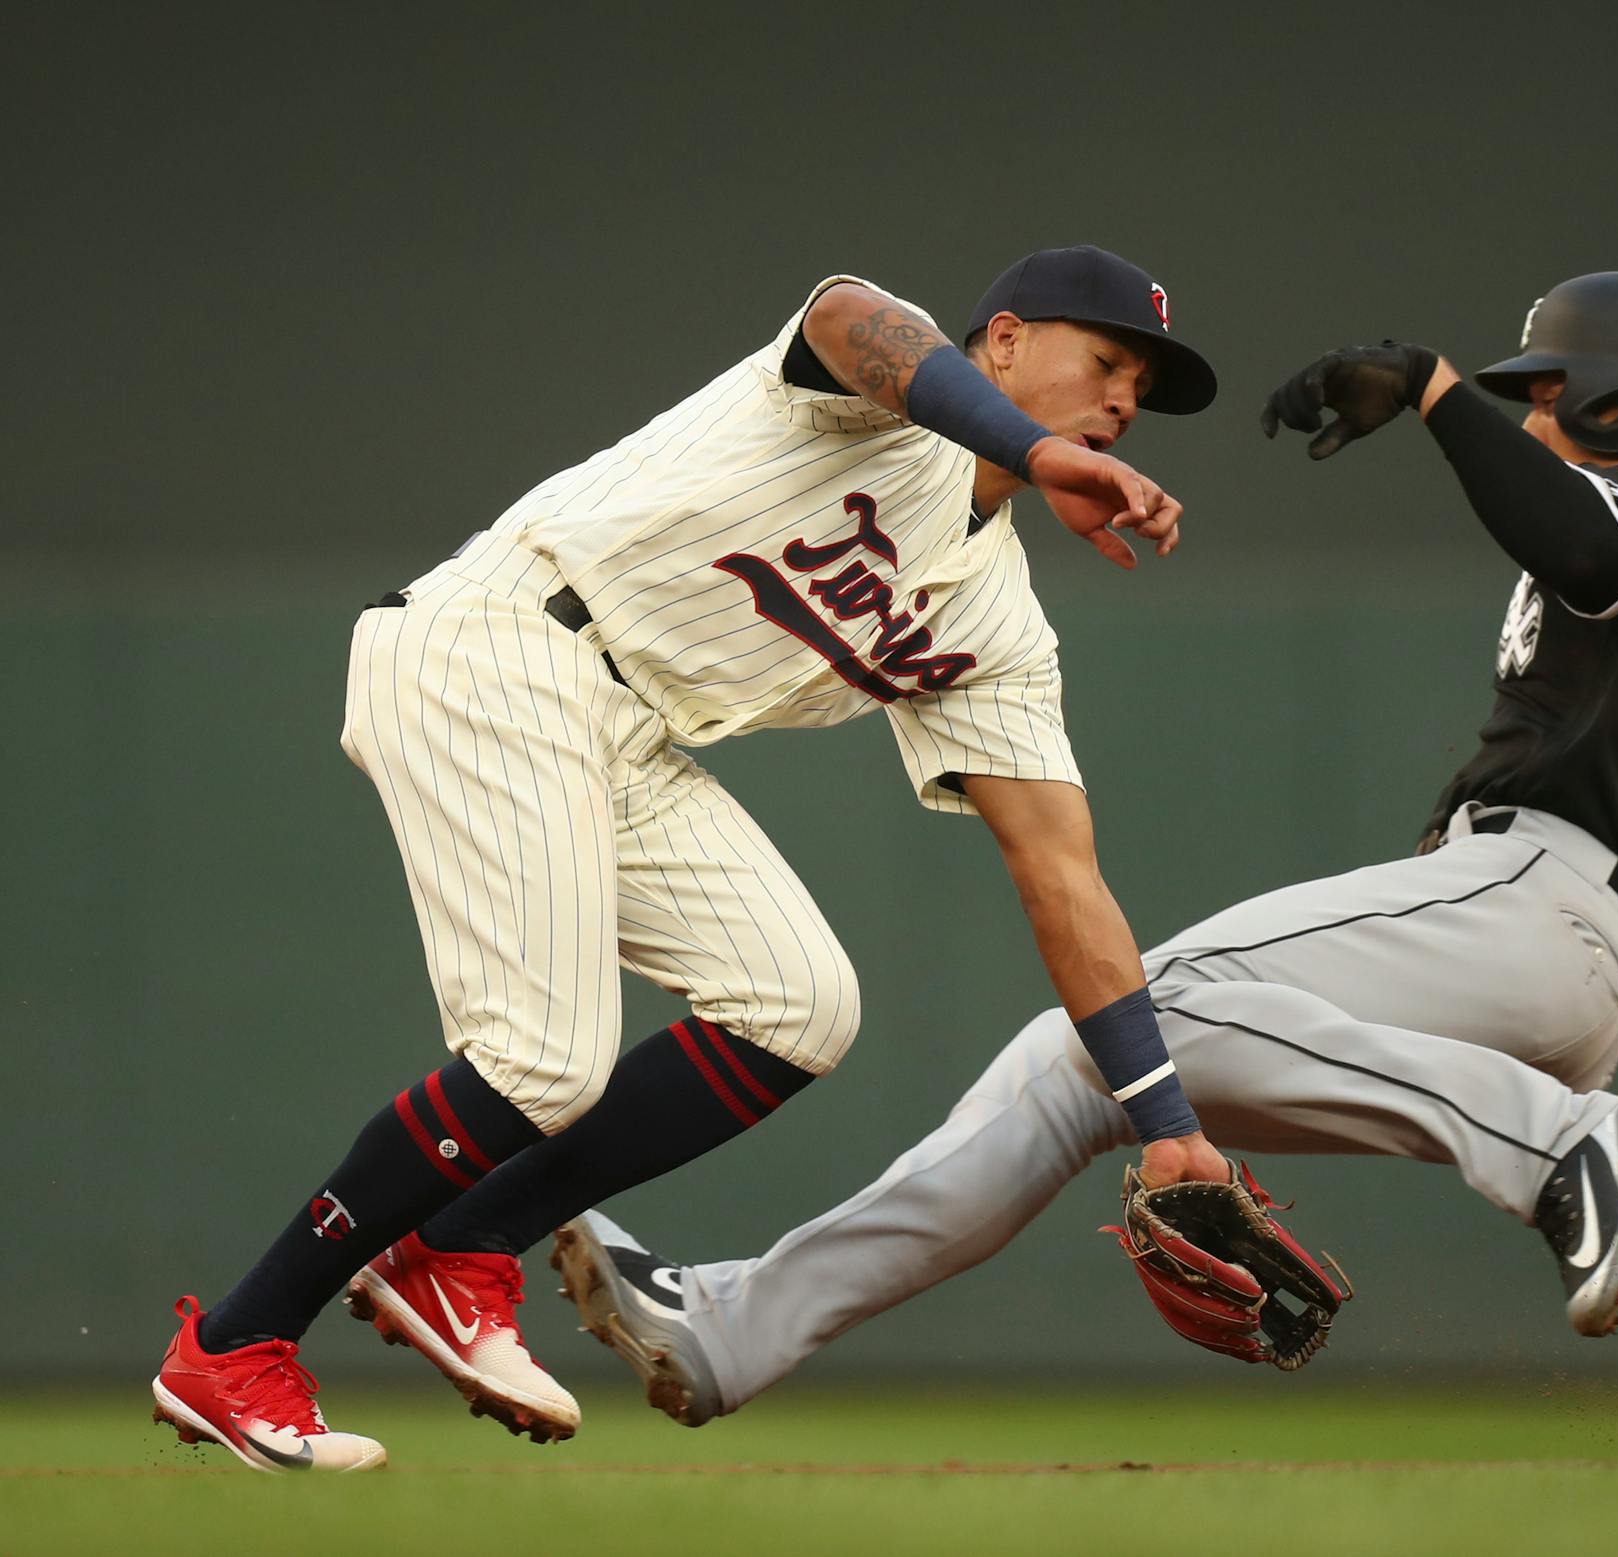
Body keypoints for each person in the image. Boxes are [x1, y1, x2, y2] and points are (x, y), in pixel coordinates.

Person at [544, 272, 1618, 1427]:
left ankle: (1546, 1149)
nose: (1531, 417)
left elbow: (1582, 545)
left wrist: (1432, 391)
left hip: (1529, 902)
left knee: (1154, 1003)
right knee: (1084, 1059)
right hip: (1573, 976)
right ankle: (735, 1327)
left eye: (1550, 393)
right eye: (1517, 395)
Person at [150, 245, 1233, 1473]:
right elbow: (848, 315)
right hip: (502, 638)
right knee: (542, 1062)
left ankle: (459, 1251)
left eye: (1141, 385)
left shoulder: (997, 621)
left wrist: (1164, 1118)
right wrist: (1038, 451)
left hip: (628, 732)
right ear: (1000, 343)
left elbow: (1060, 872)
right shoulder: (869, 389)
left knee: (798, 1006)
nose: (1125, 401)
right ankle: (236, 1347)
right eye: (1105, 361)